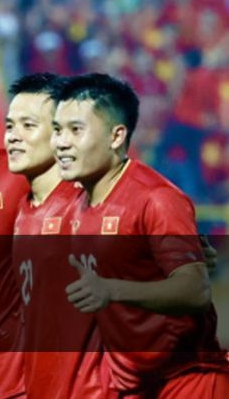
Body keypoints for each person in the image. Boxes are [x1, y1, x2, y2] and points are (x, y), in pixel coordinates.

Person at [52, 73, 228, 397]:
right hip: (131, 384)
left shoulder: (156, 199)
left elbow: (196, 290)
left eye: (75, 130)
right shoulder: (74, 206)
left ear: (116, 136)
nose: (61, 142)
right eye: (57, 130)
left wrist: (111, 289)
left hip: (187, 381)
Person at [5, 73, 105, 397]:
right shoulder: (23, 209)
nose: (13, 137)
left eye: (28, 126)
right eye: (9, 126)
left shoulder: (84, 206)